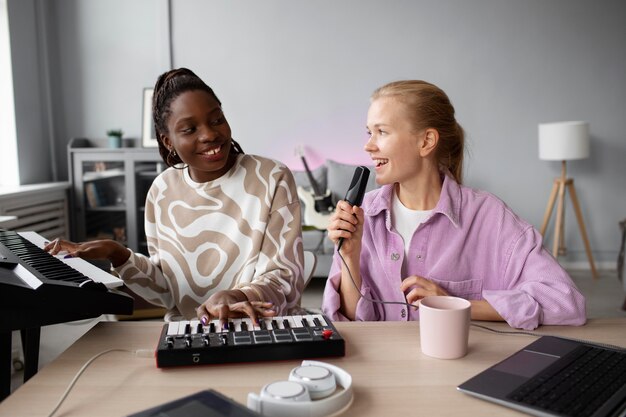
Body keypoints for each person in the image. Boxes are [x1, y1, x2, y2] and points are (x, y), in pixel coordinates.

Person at [46, 68, 304, 325]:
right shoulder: (162, 190)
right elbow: (166, 293)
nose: (210, 134)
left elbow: (284, 278)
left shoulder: (271, 177)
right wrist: (118, 254)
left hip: (262, 327)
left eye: (216, 120)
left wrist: (235, 296)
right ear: (167, 141)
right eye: (190, 129)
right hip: (189, 331)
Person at [322, 80, 586, 330]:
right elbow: (350, 323)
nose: (368, 145)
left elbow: (565, 302)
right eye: (370, 132)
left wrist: (456, 305)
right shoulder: (362, 215)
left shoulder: (489, 216)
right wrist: (350, 257)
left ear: (426, 141)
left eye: (381, 132)